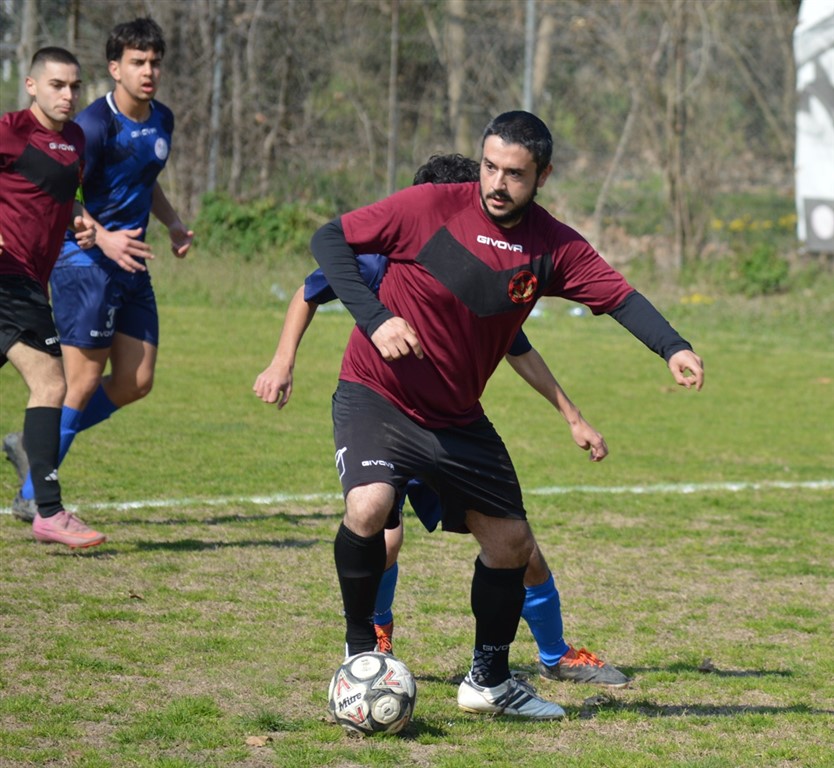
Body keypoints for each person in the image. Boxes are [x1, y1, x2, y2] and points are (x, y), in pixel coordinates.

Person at [310, 111, 704, 720]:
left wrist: (672, 346)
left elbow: (619, 296)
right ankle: (360, 651)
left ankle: (489, 682)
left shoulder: (553, 246)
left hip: (455, 416)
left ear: (543, 176)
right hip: (378, 392)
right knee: (368, 506)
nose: (497, 183)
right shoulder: (429, 207)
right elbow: (329, 239)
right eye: (490, 166)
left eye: (514, 174)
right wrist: (376, 318)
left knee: (511, 543)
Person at [255, 154, 629, 687]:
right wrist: (282, 361)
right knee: (383, 533)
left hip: (449, 427)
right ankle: (373, 641)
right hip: (385, 416)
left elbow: (519, 349)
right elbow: (309, 290)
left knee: (518, 545)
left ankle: (555, 653)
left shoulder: (481, 281)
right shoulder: (383, 259)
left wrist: (573, 416)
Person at [3, 17, 194, 524]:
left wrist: (173, 223)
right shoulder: (90, 126)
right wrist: (103, 235)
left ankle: (33, 441)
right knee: (79, 383)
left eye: (154, 62)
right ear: (115, 68)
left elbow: (145, 178)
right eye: (137, 62)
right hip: (84, 262)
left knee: (136, 380)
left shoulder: (163, 119)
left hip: (131, 264)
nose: (148, 71)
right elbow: (59, 188)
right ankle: (33, 493)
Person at [0, 47, 104, 548]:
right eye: (57, 85)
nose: (68, 95)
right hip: (10, 277)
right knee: (51, 382)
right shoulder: (11, 130)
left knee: (50, 384)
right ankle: (48, 511)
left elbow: (63, 196)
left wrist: (80, 219)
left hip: (27, 280)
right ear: (32, 85)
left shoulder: (76, 139)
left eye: (74, 86)